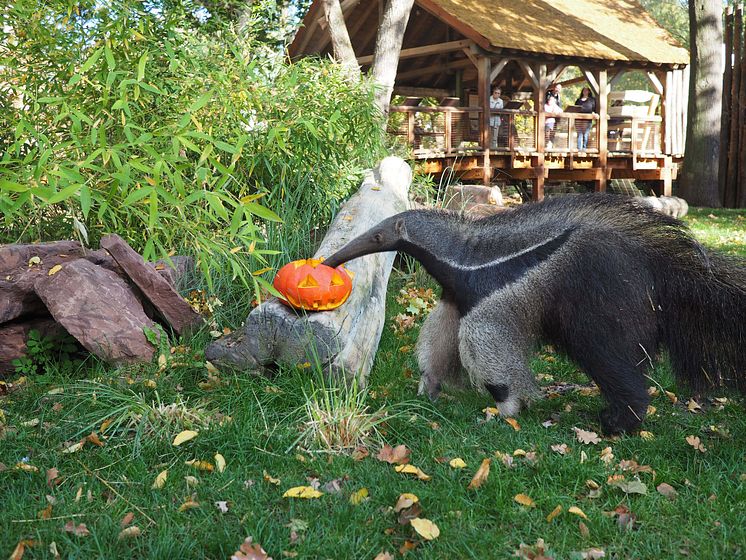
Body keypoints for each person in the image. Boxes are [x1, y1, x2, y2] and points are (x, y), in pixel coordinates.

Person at [575, 87, 596, 151]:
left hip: (588, 120)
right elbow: (575, 108)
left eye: (586, 90)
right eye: (584, 90)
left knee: (586, 134)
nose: (585, 91)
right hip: (579, 120)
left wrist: (594, 113)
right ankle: (579, 148)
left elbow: (594, 109)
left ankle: (584, 148)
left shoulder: (592, 100)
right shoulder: (578, 100)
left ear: (589, 92)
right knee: (579, 134)